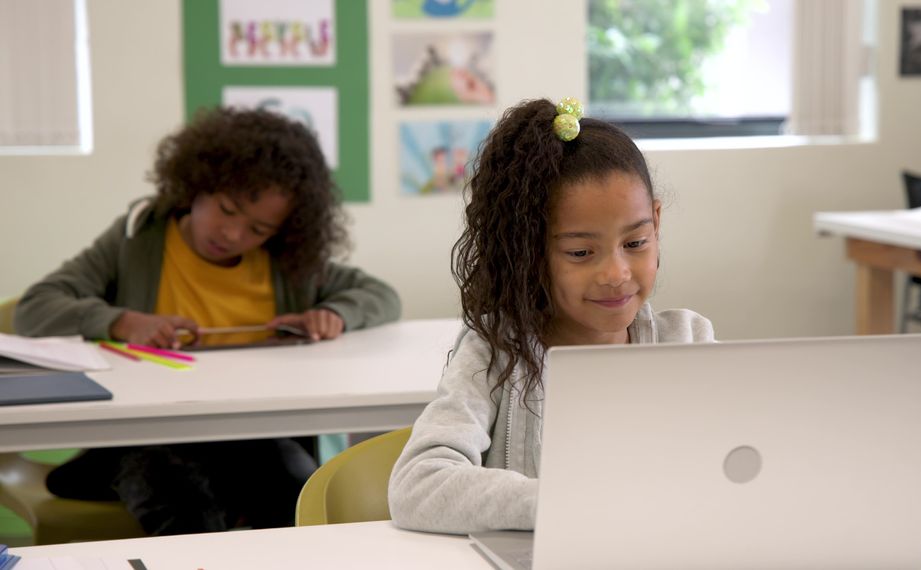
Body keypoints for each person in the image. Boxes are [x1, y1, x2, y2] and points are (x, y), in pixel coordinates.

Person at [14, 107, 401, 535]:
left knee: (297, 489)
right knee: (179, 501)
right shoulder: (137, 239)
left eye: (258, 228)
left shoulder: (289, 264)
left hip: (250, 435)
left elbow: (380, 295)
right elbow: (36, 306)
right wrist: (122, 322)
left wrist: (335, 314)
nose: (234, 234)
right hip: (147, 434)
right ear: (196, 186)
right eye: (226, 209)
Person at [387, 97, 715, 534]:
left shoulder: (687, 341)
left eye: (636, 243)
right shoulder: (495, 353)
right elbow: (416, 487)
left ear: (656, 221)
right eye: (580, 252)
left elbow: (728, 473)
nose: (617, 275)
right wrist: (564, 503)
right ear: (528, 253)